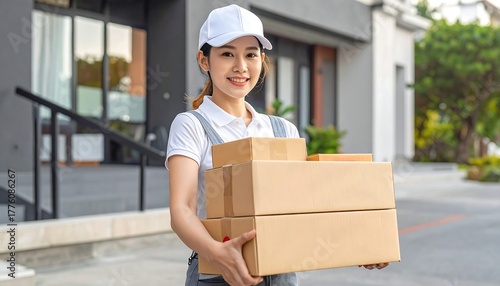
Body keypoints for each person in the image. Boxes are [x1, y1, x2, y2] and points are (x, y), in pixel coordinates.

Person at [166, 4, 388, 286]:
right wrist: (219, 253)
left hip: (281, 273)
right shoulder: (192, 125)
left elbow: (305, 210)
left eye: (250, 55)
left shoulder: (284, 130)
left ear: (262, 60)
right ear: (204, 60)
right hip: (218, 274)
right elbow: (181, 211)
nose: (241, 67)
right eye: (227, 54)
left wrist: (360, 244)